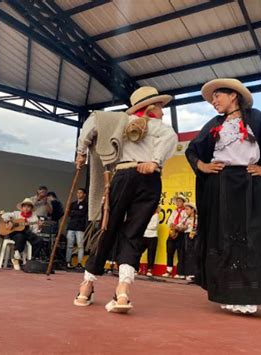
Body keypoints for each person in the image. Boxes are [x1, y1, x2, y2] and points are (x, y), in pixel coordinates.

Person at [185, 78, 261, 323]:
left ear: (233, 95)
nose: (213, 101)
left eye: (217, 96)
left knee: (259, 238)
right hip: (222, 186)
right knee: (227, 239)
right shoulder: (214, 124)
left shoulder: (255, 118)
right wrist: (203, 165)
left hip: (249, 183)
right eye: (212, 98)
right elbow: (192, 150)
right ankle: (236, 296)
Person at [73, 86, 177, 313]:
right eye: (160, 107)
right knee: (133, 233)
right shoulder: (158, 127)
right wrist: (155, 161)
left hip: (124, 175)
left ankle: (86, 286)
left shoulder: (116, 120)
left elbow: (91, 124)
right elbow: (171, 137)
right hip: (149, 180)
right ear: (150, 107)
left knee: (107, 228)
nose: (163, 112)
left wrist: (81, 152)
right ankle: (122, 291)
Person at [1, 198, 45, 270]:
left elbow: (34, 232)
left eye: (29, 206)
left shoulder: (34, 218)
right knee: (20, 235)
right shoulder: (16, 214)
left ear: (31, 208)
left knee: (40, 240)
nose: (26, 208)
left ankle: (31, 260)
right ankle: (17, 255)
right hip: (14, 234)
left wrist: (39, 226)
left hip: (27, 235)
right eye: (25, 206)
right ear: (22, 207)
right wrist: (9, 221)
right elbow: (4, 215)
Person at [162, 195, 187, 278]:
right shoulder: (174, 212)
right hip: (172, 233)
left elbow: (185, 223)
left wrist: (178, 227)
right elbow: (169, 221)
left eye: (180, 201)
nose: (178, 203)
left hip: (180, 234)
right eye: (177, 201)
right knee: (169, 251)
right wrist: (172, 225)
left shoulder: (185, 212)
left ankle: (180, 272)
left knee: (180, 253)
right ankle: (169, 270)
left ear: (183, 202)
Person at [66, 188, 88, 269]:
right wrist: (76, 212)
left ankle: (79, 263)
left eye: (80, 192)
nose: (78, 194)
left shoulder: (86, 204)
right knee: (69, 245)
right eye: (77, 192)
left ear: (84, 194)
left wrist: (74, 212)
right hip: (71, 226)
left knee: (80, 246)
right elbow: (69, 213)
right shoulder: (73, 204)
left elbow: (83, 213)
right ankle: (68, 261)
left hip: (80, 227)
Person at [177, 202, 198, 281]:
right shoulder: (185, 218)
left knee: (193, 254)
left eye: (187, 209)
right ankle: (185, 273)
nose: (186, 211)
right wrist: (182, 227)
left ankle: (192, 273)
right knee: (186, 254)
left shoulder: (196, 218)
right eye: (185, 209)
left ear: (193, 210)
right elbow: (179, 226)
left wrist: (195, 231)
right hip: (186, 236)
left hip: (195, 237)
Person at [140, 206, 160, 276]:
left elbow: (154, 226)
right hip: (145, 235)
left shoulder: (156, 215)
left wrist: (145, 226)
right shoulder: (146, 215)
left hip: (152, 236)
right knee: (139, 251)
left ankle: (150, 269)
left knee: (151, 253)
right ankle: (136, 266)